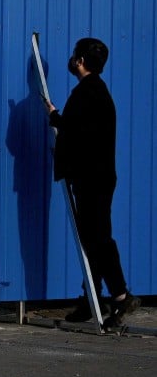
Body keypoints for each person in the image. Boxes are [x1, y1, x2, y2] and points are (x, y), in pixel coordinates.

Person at [45, 37, 139, 329]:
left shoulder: (88, 92)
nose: (73, 59)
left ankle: (121, 295)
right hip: (95, 178)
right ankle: (92, 298)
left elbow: (76, 131)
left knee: (98, 238)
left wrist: (53, 117)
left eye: (75, 55)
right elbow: (82, 130)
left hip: (92, 179)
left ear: (81, 61)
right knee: (92, 239)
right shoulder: (95, 92)